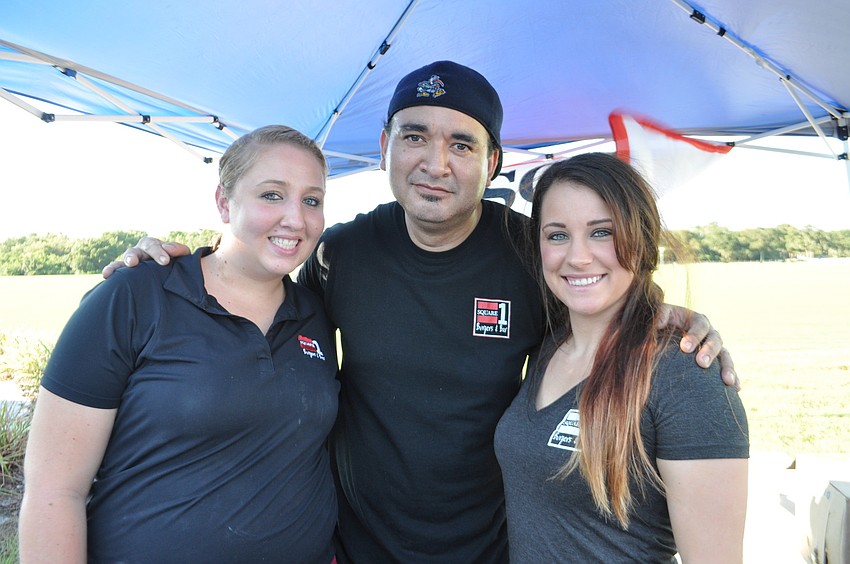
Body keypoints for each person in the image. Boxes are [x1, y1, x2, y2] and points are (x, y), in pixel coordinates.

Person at [103, 61, 737, 563]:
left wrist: (671, 318)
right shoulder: (339, 253)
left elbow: (598, 305)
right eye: (415, 136)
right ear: (384, 146)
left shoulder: (531, 250)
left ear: (491, 163)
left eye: (461, 144)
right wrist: (173, 263)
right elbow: (256, 293)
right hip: (354, 545)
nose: (435, 162)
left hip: (492, 549)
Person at [19, 126, 340, 563]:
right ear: (224, 202)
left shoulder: (317, 312)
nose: (296, 219)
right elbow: (55, 491)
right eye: (271, 195)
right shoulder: (135, 296)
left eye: (312, 200)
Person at [494, 153, 749, 562]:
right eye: (557, 235)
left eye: (602, 232)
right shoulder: (547, 350)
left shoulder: (686, 376)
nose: (577, 257)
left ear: (642, 239)